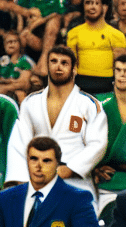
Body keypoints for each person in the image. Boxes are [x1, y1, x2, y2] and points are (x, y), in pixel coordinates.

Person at [6, 46, 108, 204]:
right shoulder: (30, 102)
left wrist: (70, 169)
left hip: (75, 180)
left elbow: (98, 144)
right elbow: (19, 142)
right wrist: (21, 178)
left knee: (80, 226)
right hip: (38, 180)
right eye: (53, 61)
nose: (58, 66)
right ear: (47, 66)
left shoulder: (89, 104)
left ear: (74, 69)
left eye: (64, 63)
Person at [93, 53, 126, 216]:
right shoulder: (97, 104)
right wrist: (92, 168)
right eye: (118, 70)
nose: (122, 74)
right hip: (104, 182)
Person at [65, 0, 126, 95]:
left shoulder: (117, 35)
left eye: (96, 3)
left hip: (107, 84)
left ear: (103, 7)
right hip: (81, 83)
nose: (92, 7)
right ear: (83, 6)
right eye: (88, 3)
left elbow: (121, 67)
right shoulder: (73, 33)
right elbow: (72, 66)